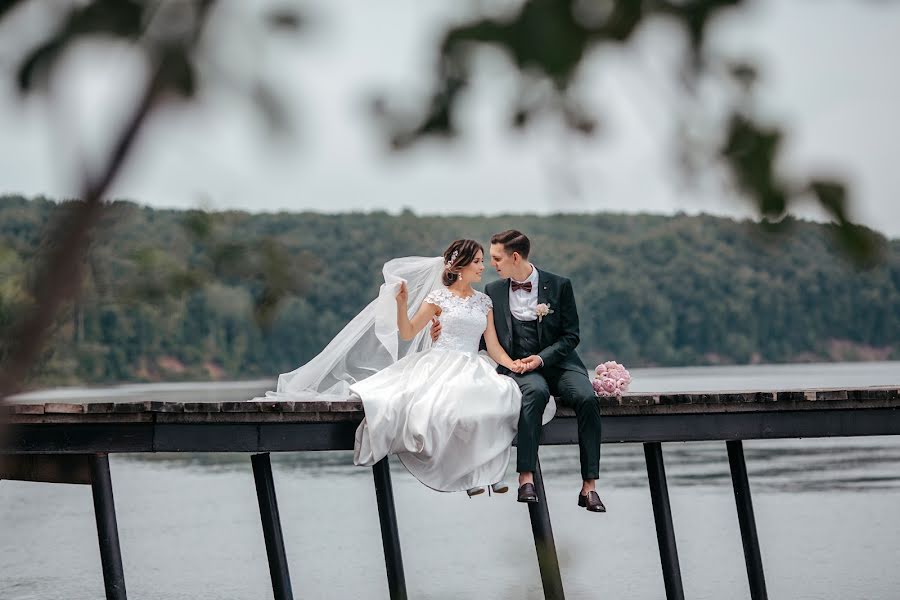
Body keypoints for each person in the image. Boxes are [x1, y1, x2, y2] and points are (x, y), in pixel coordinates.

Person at [261, 239, 530, 494]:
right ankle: (469, 476)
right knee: (451, 408)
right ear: (460, 267)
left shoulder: (484, 301)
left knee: (498, 401)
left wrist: (511, 364)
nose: (483, 267)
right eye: (478, 262)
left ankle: (489, 474)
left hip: (474, 364)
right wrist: (402, 305)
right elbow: (408, 332)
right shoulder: (439, 299)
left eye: (483, 261)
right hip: (442, 362)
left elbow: (492, 346)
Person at [432, 230, 606, 512]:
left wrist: (541, 358)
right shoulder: (493, 291)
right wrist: (441, 332)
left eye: (497, 258)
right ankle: (526, 478)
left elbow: (571, 336)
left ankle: (590, 486)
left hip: (560, 363)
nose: (492, 264)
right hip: (519, 368)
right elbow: (481, 338)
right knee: (534, 394)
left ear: (515, 257)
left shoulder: (560, 285)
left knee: (587, 398)